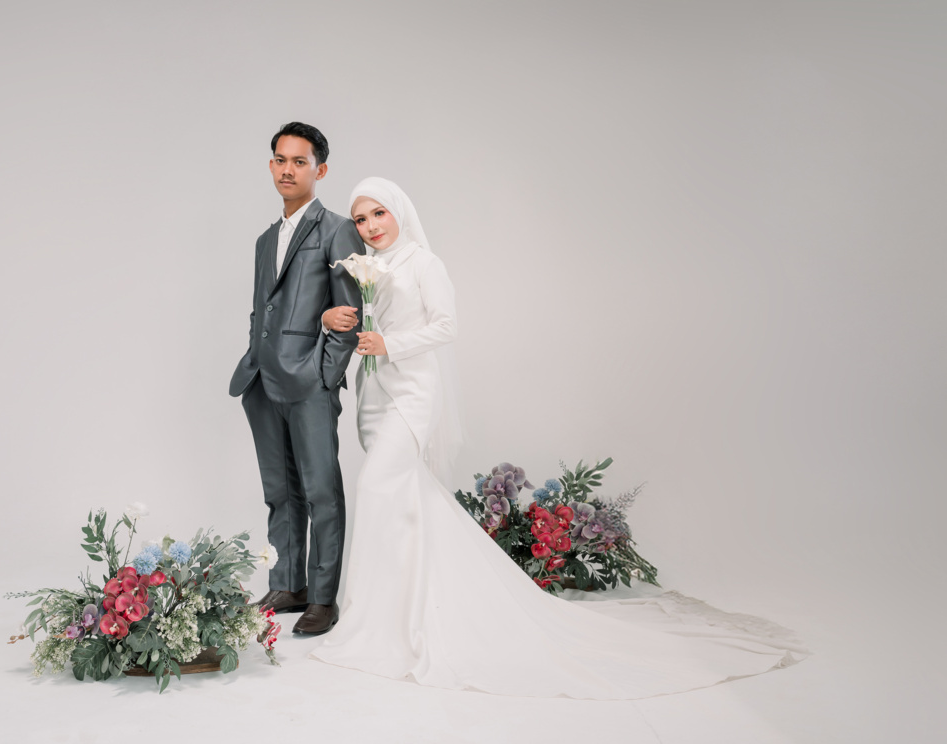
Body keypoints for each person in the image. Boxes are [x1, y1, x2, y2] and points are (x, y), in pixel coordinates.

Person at [308, 177, 806, 698]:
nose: (370, 226)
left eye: (379, 213)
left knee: (376, 487)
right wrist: (329, 317)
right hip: (374, 394)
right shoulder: (368, 266)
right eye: (361, 219)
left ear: (399, 212)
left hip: (411, 393)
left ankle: (376, 623)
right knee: (406, 501)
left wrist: (391, 344)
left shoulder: (425, 263)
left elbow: (447, 326)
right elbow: (359, 321)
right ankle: (396, 608)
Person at [229, 122, 363, 635]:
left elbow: (349, 313)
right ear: (271, 166)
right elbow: (261, 308)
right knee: (279, 491)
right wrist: (254, 356)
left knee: (320, 491)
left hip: (309, 383)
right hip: (262, 381)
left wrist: (323, 376)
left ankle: (323, 597)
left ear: (319, 170)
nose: (288, 170)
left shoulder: (337, 230)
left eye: (299, 162)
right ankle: (288, 584)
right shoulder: (266, 239)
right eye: (280, 160)